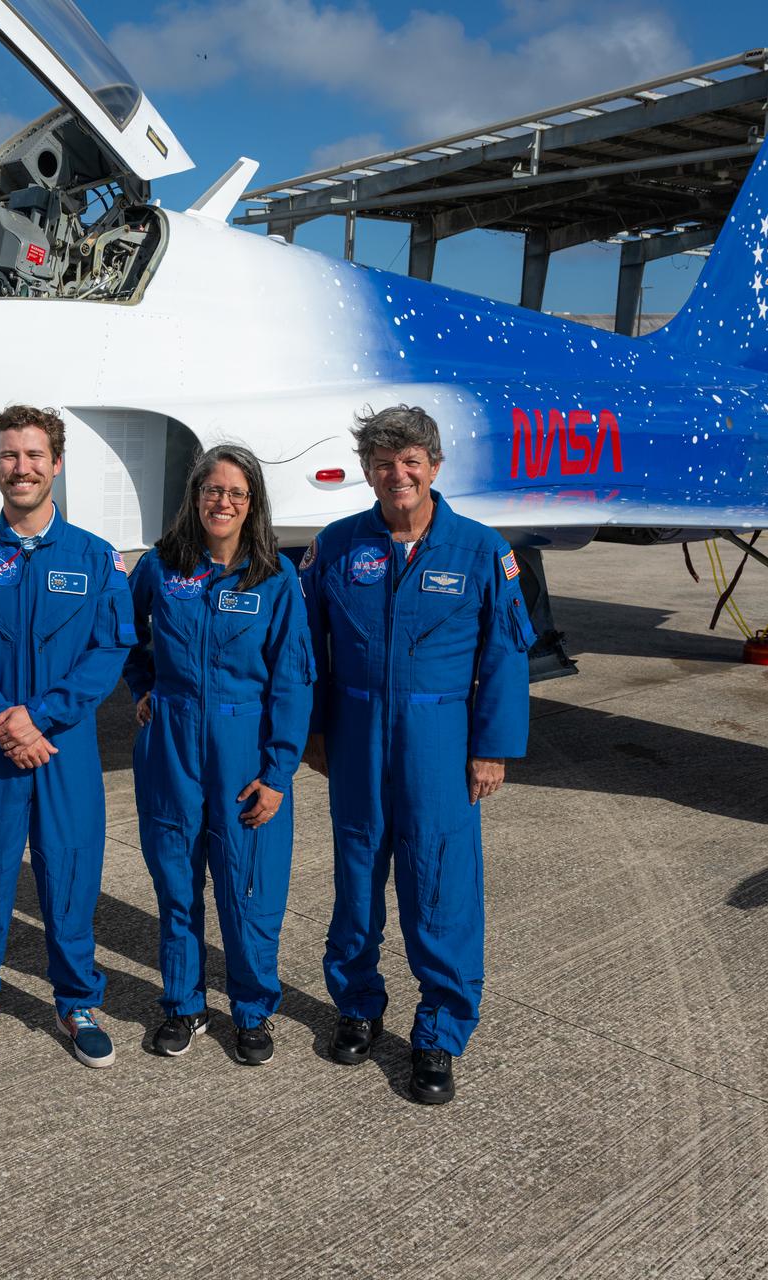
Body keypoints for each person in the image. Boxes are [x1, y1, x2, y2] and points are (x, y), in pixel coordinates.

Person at [301, 405, 530, 1104]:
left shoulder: (481, 551)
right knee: (356, 878)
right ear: (367, 471)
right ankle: (357, 1005)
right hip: (356, 733)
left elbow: (505, 656)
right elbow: (308, 648)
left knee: (440, 885)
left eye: (409, 461)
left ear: (433, 466)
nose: (396, 474)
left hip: (440, 739)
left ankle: (439, 1033)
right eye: (382, 463)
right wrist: (314, 731)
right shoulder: (337, 546)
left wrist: (491, 748)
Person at [0, 405, 136, 1070]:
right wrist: (4, 721)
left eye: (34, 455)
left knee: (71, 878)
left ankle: (77, 1001)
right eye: (9, 455)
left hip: (62, 746)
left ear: (57, 463)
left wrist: (40, 718)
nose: (21, 468)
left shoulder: (96, 559)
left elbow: (109, 650)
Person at [124, 444, 313, 1066]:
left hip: (244, 749)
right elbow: (122, 631)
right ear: (196, 496)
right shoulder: (161, 567)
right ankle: (184, 1004)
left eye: (236, 493)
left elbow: (292, 679)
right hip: (171, 744)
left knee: (248, 887)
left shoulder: (275, 578)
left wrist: (278, 772)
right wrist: (144, 684)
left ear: (251, 503)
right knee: (176, 881)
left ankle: (252, 1010)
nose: (222, 502)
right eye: (212, 490)